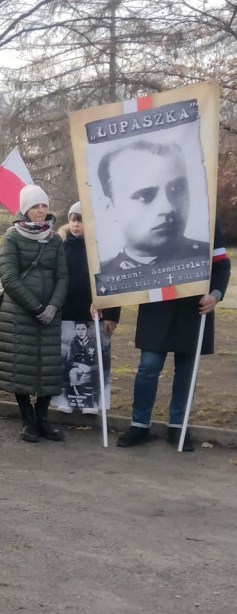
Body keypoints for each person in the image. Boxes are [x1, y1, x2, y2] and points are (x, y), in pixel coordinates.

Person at [116, 219, 230, 451]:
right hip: (156, 304)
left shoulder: (208, 219)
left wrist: (216, 295)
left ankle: (178, 426)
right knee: (148, 366)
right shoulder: (150, 221)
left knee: (186, 371)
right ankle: (139, 425)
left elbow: (222, 265)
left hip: (194, 308)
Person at [0, 185, 68, 443]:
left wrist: (53, 306)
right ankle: (27, 420)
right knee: (20, 367)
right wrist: (36, 307)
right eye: (36, 206)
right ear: (25, 209)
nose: (41, 211)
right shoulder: (12, 237)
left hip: (50, 313)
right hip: (20, 312)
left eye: (44, 206)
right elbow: (9, 278)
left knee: (48, 367)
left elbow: (63, 276)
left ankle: (43, 419)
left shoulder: (54, 239)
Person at [96, 140, 207, 278]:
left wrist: (215, 292)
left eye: (177, 189)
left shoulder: (206, 257)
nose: (168, 208)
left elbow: (222, 269)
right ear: (110, 208)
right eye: (145, 196)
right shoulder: (103, 277)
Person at [55, 203, 121, 414]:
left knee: (93, 357)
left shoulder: (102, 250)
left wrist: (111, 313)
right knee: (67, 357)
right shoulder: (60, 246)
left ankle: (90, 402)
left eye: (81, 220)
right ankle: (65, 398)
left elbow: (113, 280)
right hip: (66, 312)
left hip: (93, 313)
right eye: (73, 220)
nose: (76, 225)